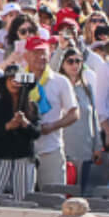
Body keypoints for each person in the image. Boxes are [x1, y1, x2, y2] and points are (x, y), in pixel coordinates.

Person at [24, 37, 79, 188]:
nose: (40, 57)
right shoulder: (19, 79)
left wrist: (53, 126)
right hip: (24, 150)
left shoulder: (60, 81)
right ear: (26, 56)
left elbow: (74, 113)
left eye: (43, 53)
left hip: (51, 148)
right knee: (22, 200)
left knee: (53, 198)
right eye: (35, 53)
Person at [0, 65, 41, 199]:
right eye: (10, 79)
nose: (14, 82)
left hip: (24, 159)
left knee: (23, 200)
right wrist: (8, 126)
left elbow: (37, 133)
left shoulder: (32, 107)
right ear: (5, 83)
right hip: (1, 158)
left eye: (17, 79)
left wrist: (25, 124)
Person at [59, 48, 103, 192]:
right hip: (64, 148)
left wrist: (98, 146)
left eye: (78, 61)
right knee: (64, 191)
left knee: (82, 192)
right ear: (63, 64)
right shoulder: (58, 87)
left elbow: (94, 117)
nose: (74, 65)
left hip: (85, 148)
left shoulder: (87, 88)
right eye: (70, 61)